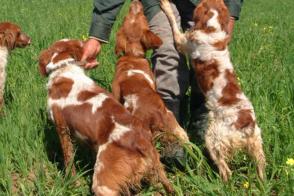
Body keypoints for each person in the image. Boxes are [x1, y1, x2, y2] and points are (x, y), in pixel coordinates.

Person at [81, 0, 243, 138]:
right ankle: (167, 131)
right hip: (158, 2)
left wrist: (231, 14)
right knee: (167, 51)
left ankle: (201, 117)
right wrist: (96, 37)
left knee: (206, 54)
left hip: (203, 3)